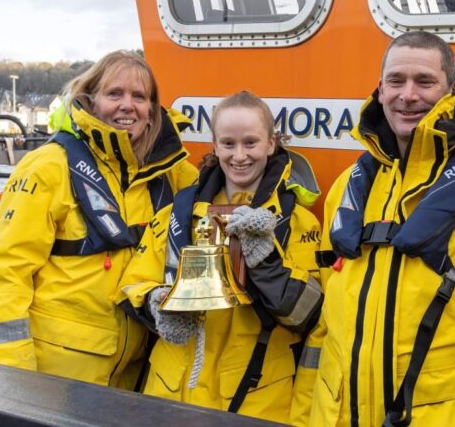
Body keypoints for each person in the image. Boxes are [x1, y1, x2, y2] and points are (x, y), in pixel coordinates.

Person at [290, 31, 455, 426]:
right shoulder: (348, 187)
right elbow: (326, 327)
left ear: (453, 89)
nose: (408, 95)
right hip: (338, 413)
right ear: (380, 90)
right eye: (396, 81)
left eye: (425, 82)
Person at [0, 51, 198, 388]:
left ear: (152, 111)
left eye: (139, 96)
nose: (127, 105)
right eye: (114, 93)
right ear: (90, 101)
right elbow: (3, 277)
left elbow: (224, 190)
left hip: (126, 380)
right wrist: (11, 382)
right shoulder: (47, 167)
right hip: (49, 378)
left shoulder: (169, 175)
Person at [116, 90, 324, 423]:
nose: (239, 155)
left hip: (255, 399)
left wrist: (266, 261)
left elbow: (312, 317)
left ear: (271, 143)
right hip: (172, 395)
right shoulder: (177, 214)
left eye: (250, 143)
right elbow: (131, 285)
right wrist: (157, 304)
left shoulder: (297, 223)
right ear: (214, 146)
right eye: (228, 144)